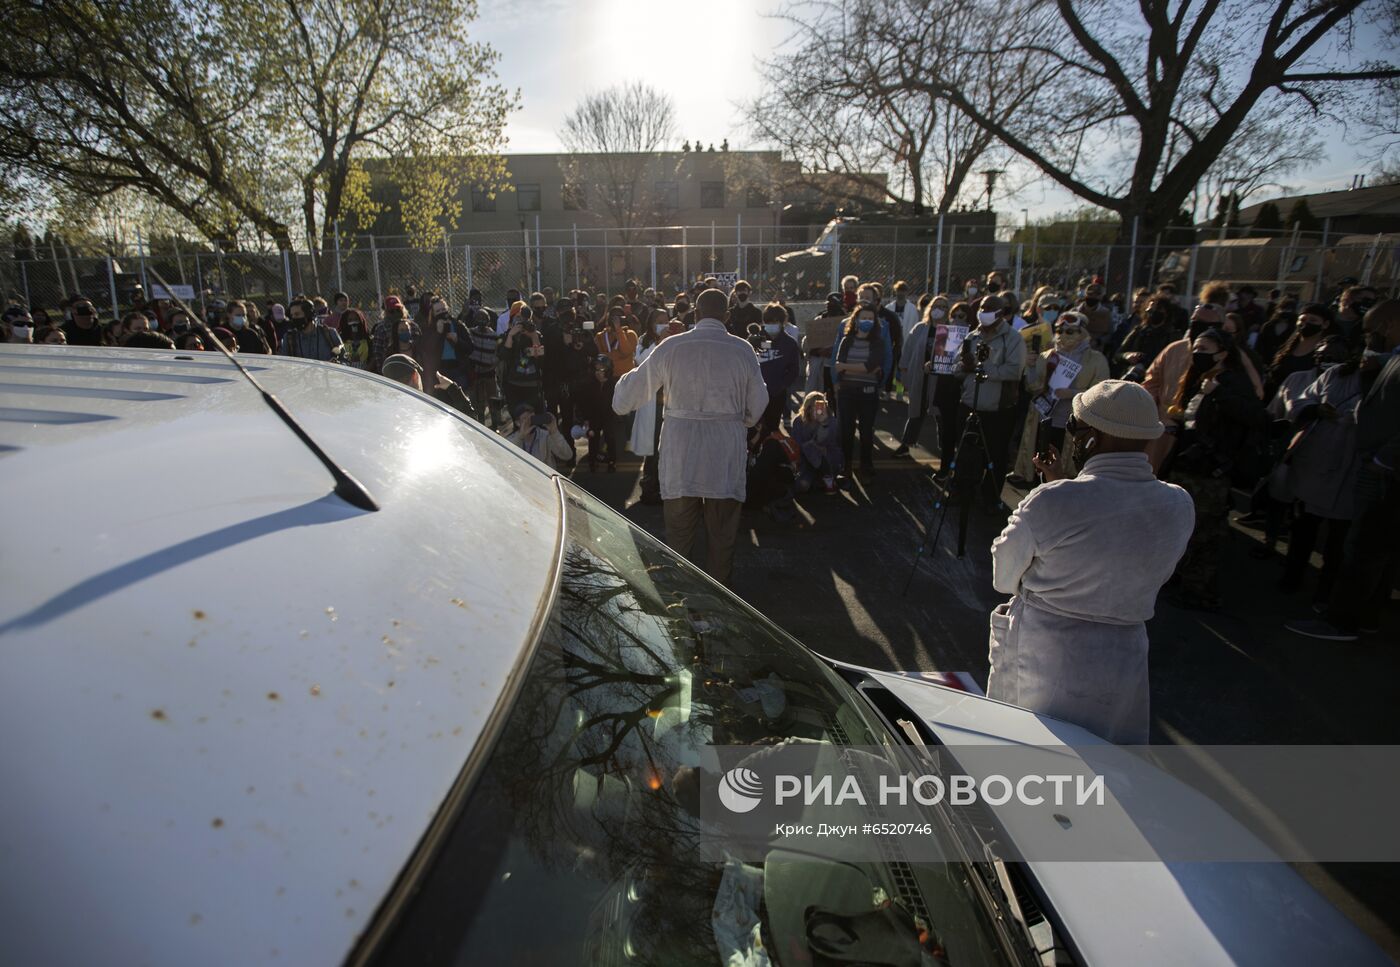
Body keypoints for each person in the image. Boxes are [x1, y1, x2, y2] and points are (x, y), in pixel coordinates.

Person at [988, 380, 1194, 744]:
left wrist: (1052, 491)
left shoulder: (1053, 501)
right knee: (1107, 758)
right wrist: (1060, 485)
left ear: (1091, 438)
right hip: (1123, 652)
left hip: (1045, 654)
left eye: (1073, 427)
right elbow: (1124, 550)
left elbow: (1004, 576)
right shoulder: (1178, 504)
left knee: (1031, 755)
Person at [612, 288, 768, 586]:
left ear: (695, 314)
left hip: (681, 451)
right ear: (727, 315)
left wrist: (621, 383)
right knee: (722, 540)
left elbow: (625, 399)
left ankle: (681, 606)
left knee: (680, 538)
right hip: (724, 450)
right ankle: (719, 607)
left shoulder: (672, 346)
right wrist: (740, 421)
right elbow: (757, 405)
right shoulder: (742, 349)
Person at [1287, 299, 1400, 641]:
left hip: (1385, 470)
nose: (1368, 337)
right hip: (1378, 465)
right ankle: (1364, 615)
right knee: (1375, 548)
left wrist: (1385, 459)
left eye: (1371, 330)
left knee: (1365, 549)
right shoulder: (1388, 359)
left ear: (1391, 323)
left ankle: (1342, 621)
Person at [1166, 329, 1269, 609]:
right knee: (1183, 524)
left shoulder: (1231, 382)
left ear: (1223, 353)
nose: (1197, 353)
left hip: (1211, 469)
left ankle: (1198, 587)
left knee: (1205, 530)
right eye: (1196, 347)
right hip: (1188, 461)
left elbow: (1255, 416)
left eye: (1205, 348)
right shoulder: (1199, 378)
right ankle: (1179, 577)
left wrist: (1220, 394)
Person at [1275, 340, 1362, 602]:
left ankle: (1327, 589)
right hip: (1317, 461)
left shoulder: (1385, 380)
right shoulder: (1336, 375)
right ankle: (1293, 576)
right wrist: (1315, 409)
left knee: (1339, 540)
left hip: (1353, 469)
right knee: (1303, 528)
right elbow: (1303, 400)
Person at [954, 295, 1026, 514]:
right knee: (965, 452)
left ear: (1001, 313)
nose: (983, 313)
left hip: (997, 408)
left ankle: (991, 497)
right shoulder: (972, 336)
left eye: (989, 310)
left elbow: (1015, 371)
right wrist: (965, 367)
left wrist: (982, 369)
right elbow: (958, 369)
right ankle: (963, 493)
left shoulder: (1012, 339)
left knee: (995, 454)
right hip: (969, 403)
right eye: (981, 309)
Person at [830, 300, 887, 479]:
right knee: (845, 431)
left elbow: (871, 366)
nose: (867, 321)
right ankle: (845, 465)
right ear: (856, 320)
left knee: (866, 431)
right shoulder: (846, 340)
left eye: (871, 318)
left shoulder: (878, 342)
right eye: (864, 318)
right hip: (847, 392)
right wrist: (861, 367)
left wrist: (849, 366)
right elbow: (838, 366)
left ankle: (866, 465)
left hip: (868, 392)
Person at [630, 308, 680, 503]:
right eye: (659, 321)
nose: (663, 324)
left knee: (667, 447)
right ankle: (649, 488)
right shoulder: (644, 341)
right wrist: (659, 342)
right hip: (652, 402)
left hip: (671, 400)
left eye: (666, 320)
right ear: (651, 323)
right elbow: (642, 362)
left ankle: (664, 487)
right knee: (652, 449)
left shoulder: (676, 339)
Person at [894, 296, 948, 456]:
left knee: (940, 415)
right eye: (936, 306)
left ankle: (945, 448)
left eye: (943, 307)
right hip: (919, 377)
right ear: (929, 308)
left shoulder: (947, 330)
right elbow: (908, 350)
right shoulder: (920, 328)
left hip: (939, 381)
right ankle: (906, 443)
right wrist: (903, 371)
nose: (938, 309)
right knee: (915, 412)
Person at [380, 352, 478, 421]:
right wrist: (453, 388)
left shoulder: (382, 413)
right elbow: (471, 427)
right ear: (415, 376)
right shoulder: (430, 412)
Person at [754, 304, 799, 434]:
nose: (771, 325)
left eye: (775, 322)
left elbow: (794, 370)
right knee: (753, 428)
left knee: (772, 428)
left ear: (782, 322)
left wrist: (781, 385)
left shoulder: (789, 343)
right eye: (768, 322)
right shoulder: (756, 339)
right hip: (756, 392)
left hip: (777, 394)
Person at [790, 392, 842, 493]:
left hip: (827, 459)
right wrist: (812, 445)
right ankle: (822, 481)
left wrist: (823, 424)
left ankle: (826, 479)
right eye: (813, 407)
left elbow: (833, 443)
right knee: (802, 486)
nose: (817, 410)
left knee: (817, 451)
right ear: (807, 408)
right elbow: (797, 445)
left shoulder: (830, 421)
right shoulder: (799, 421)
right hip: (806, 461)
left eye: (820, 406)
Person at [500, 307, 545, 414]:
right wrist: (511, 335)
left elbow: (541, 360)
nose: (522, 321)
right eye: (519, 317)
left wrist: (534, 337)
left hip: (532, 384)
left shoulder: (536, 335)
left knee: (535, 418)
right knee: (517, 417)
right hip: (513, 383)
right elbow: (503, 356)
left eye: (525, 318)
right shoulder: (509, 335)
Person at [505, 402, 574, 470]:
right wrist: (520, 438)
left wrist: (554, 432)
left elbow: (567, 455)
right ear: (517, 423)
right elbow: (505, 460)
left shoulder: (545, 436)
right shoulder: (511, 440)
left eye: (532, 418)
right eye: (525, 419)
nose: (529, 421)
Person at [466, 309, 503, 427]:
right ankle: (481, 424)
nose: (481, 321)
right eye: (479, 318)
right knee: (478, 401)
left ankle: (495, 424)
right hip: (476, 373)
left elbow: (498, 354)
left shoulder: (494, 336)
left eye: (484, 319)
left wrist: (493, 365)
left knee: (492, 398)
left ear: (488, 321)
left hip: (489, 372)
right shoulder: (471, 333)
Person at [803, 294, 845, 397]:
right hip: (819, 363)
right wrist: (818, 351)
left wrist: (834, 351)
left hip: (836, 364)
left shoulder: (846, 322)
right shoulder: (819, 319)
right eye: (829, 304)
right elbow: (807, 342)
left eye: (834, 304)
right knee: (816, 393)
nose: (830, 306)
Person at [281, 298, 345, 362]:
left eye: (297, 314)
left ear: (309, 314)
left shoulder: (330, 334)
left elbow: (344, 360)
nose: (294, 318)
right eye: (292, 315)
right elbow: (285, 364)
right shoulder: (289, 338)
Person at [595, 306, 639, 378]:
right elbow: (599, 355)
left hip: (626, 376)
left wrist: (619, 330)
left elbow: (626, 352)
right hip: (607, 376)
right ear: (609, 318)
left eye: (619, 317)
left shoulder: (630, 334)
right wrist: (617, 355)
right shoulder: (600, 336)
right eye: (614, 317)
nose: (616, 320)